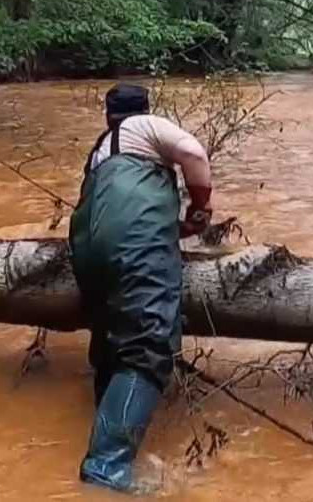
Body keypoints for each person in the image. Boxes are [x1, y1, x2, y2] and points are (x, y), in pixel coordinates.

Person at [69, 83, 212, 493]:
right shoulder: (148, 126)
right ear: (144, 110)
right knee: (148, 346)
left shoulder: (98, 151)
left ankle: (107, 417)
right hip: (134, 243)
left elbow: (109, 208)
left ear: (107, 115)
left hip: (85, 247)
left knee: (112, 338)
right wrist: (201, 208)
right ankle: (106, 468)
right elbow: (194, 154)